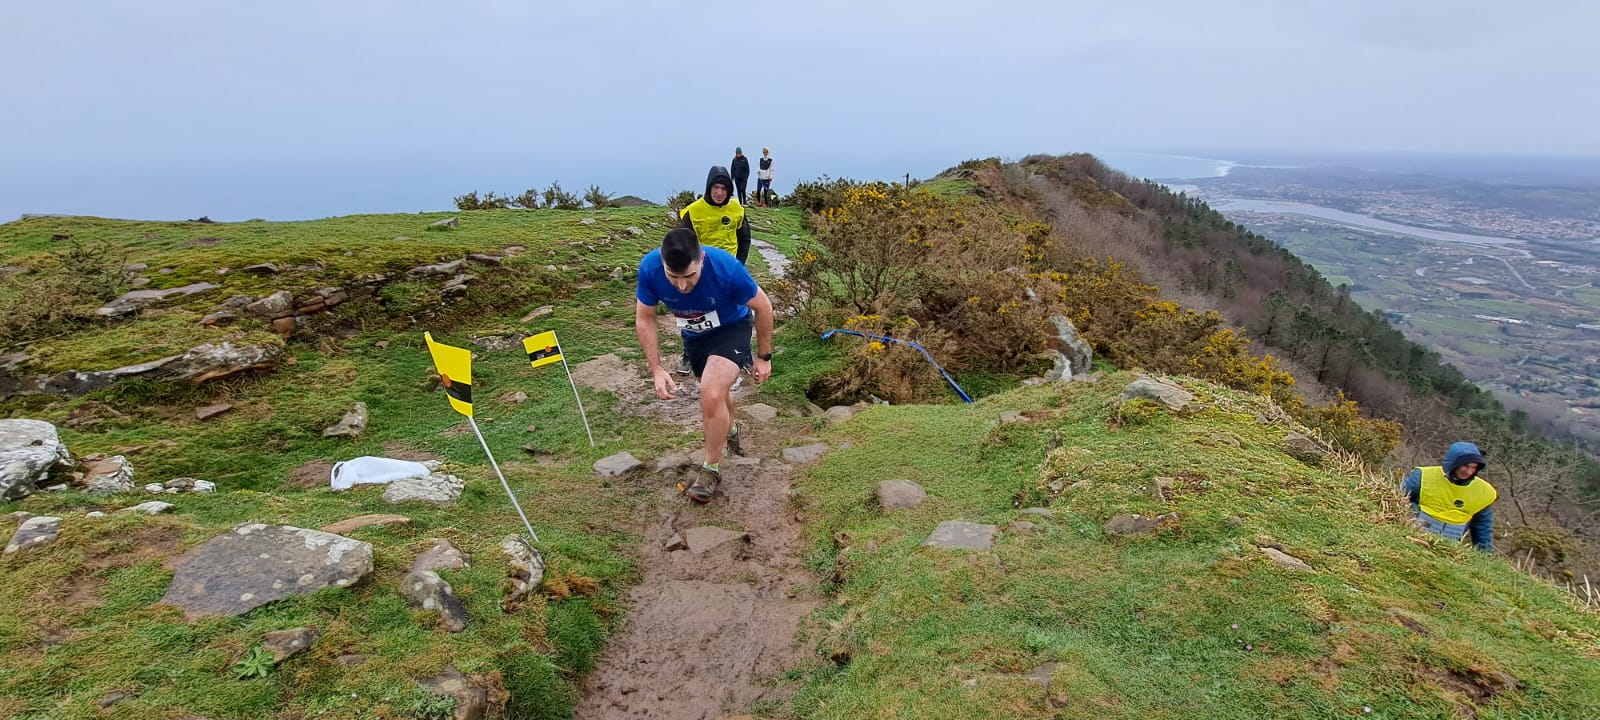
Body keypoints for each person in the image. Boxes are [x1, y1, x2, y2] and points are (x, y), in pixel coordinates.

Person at [635, 228, 774, 503]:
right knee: (717, 394)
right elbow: (645, 318)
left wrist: (764, 357)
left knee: (710, 393)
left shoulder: (726, 268)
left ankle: (711, 469)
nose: (682, 286)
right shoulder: (649, 268)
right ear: (663, 265)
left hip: (732, 327)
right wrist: (657, 369)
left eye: (689, 276)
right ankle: (730, 429)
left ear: (701, 260)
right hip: (694, 334)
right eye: (673, 277)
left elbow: (764, 306)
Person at [1401, 441, 1496, 552]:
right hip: (1413, 536)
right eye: (1465, 466)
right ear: (1454, 462)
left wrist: (1486, 555)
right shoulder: (1423, 476)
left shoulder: (1483, 492)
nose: (1469, 471)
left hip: (1449, 548)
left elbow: (1482, 527)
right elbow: (1395, 498)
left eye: (1473, 467)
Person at [676, 165, 751, 264]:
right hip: (704, 266)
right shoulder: (693, 211)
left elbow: (744, 238)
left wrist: (739, 264)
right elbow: (683, 243)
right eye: (716, 187)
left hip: (731, 265)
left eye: (724, 188)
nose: (719, 193)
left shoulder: (737, 208)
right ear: (709, 187)